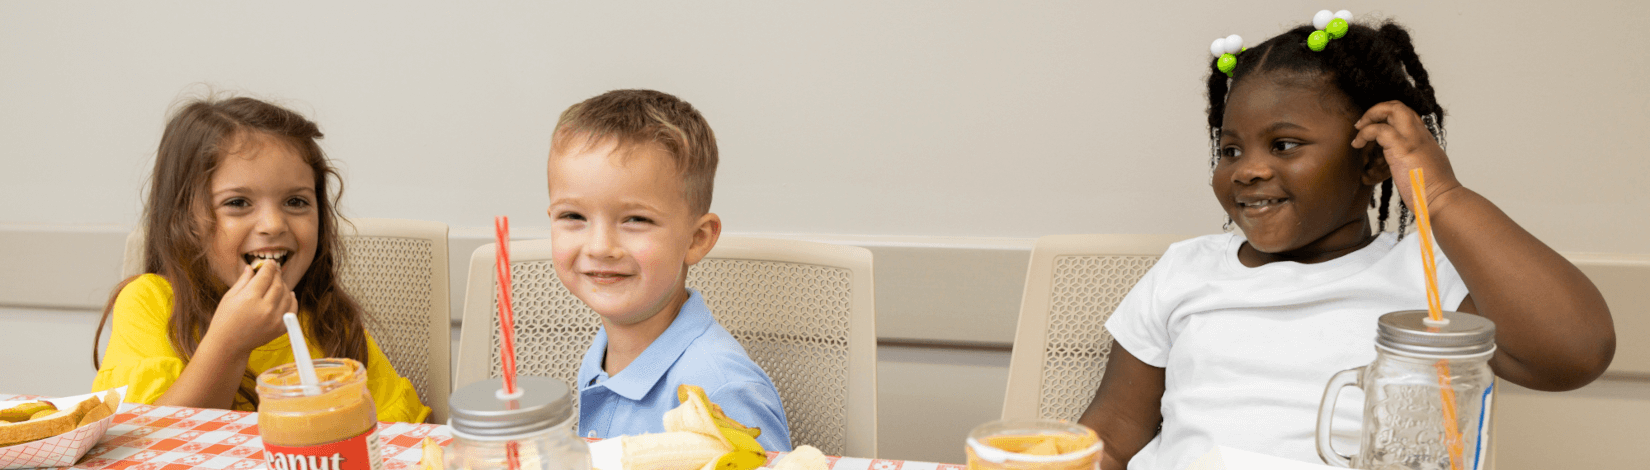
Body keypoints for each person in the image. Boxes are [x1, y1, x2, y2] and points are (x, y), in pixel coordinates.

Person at [1077, 14, 1615, 470]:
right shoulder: (1185, 271)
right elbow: (1116, 429)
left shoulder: (1425, 283)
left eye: (1283, 144)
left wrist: (1442, 195)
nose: (1247, 170)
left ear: (1373, 159)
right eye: (1231, 150)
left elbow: (1574, 352)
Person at [92, 96, 429, 423]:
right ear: (186, 221)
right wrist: (228, 344)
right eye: (238, 203)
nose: (273, 225)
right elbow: (149, 444)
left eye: (296, 202)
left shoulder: (330, 323)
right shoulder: (148, 303)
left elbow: (405, 436)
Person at [546, 89, 791, 451]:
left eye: (636, 219)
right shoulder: (602, 357)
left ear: (696, 239)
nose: (599, 247)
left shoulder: (719, 390)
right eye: (573, 216)